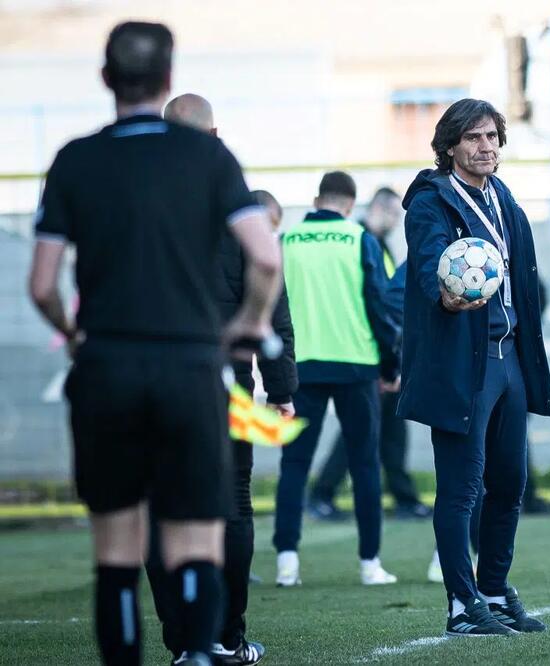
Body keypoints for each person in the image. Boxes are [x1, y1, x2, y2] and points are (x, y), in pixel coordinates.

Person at [29, 22, 281, 666]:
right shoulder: (209, 158)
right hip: (190, 368)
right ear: (167, 78)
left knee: (118, 548)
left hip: (108, 367)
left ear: (105, 79)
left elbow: (43, 285)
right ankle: (202, 652)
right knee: (197, 535)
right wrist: (249, 324)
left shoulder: (75, 159)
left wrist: (74, 335)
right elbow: (265, 258)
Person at [141, 94, 295, 666]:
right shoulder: (237, 202)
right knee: (230, 505)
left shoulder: (137, 199)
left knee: (161, 509)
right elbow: (273, 299)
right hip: (223, 382)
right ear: (214, 133)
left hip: (148, 378)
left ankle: (185, 643)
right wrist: (281, 388)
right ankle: (226, 637)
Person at [399, 98, 550, 636]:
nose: (485, 146)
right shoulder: (430, 202)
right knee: (462, 488)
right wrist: (445, 296)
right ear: (449, 146)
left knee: (510, 484)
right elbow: (429, 263)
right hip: (465, 361)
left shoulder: (500, 194)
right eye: (473, 137)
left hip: (509, 358)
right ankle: (461, 605)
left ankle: (492, 589)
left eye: (491, 136)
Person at [273, 171, 400, 587]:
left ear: (316, 200)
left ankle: (287, 564)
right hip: (356, 365)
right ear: (349, 205)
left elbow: (272, 304)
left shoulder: (287, 240)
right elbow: (379, 305)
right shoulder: (358, 238)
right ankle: (370, 564)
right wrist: (390, 364)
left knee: (294, 464)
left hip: (301, 367)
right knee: (364, 465)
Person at [308, 187, 433, 521]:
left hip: (386, 349)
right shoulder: (360, 242)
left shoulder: (377, 244)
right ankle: (321, 495)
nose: (395, 221)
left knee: (391, 429)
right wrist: (383, 354)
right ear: (378, 207)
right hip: (369, 350)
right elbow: (370, 304)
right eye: (392, 213)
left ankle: (404, 498)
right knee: (360, 428)